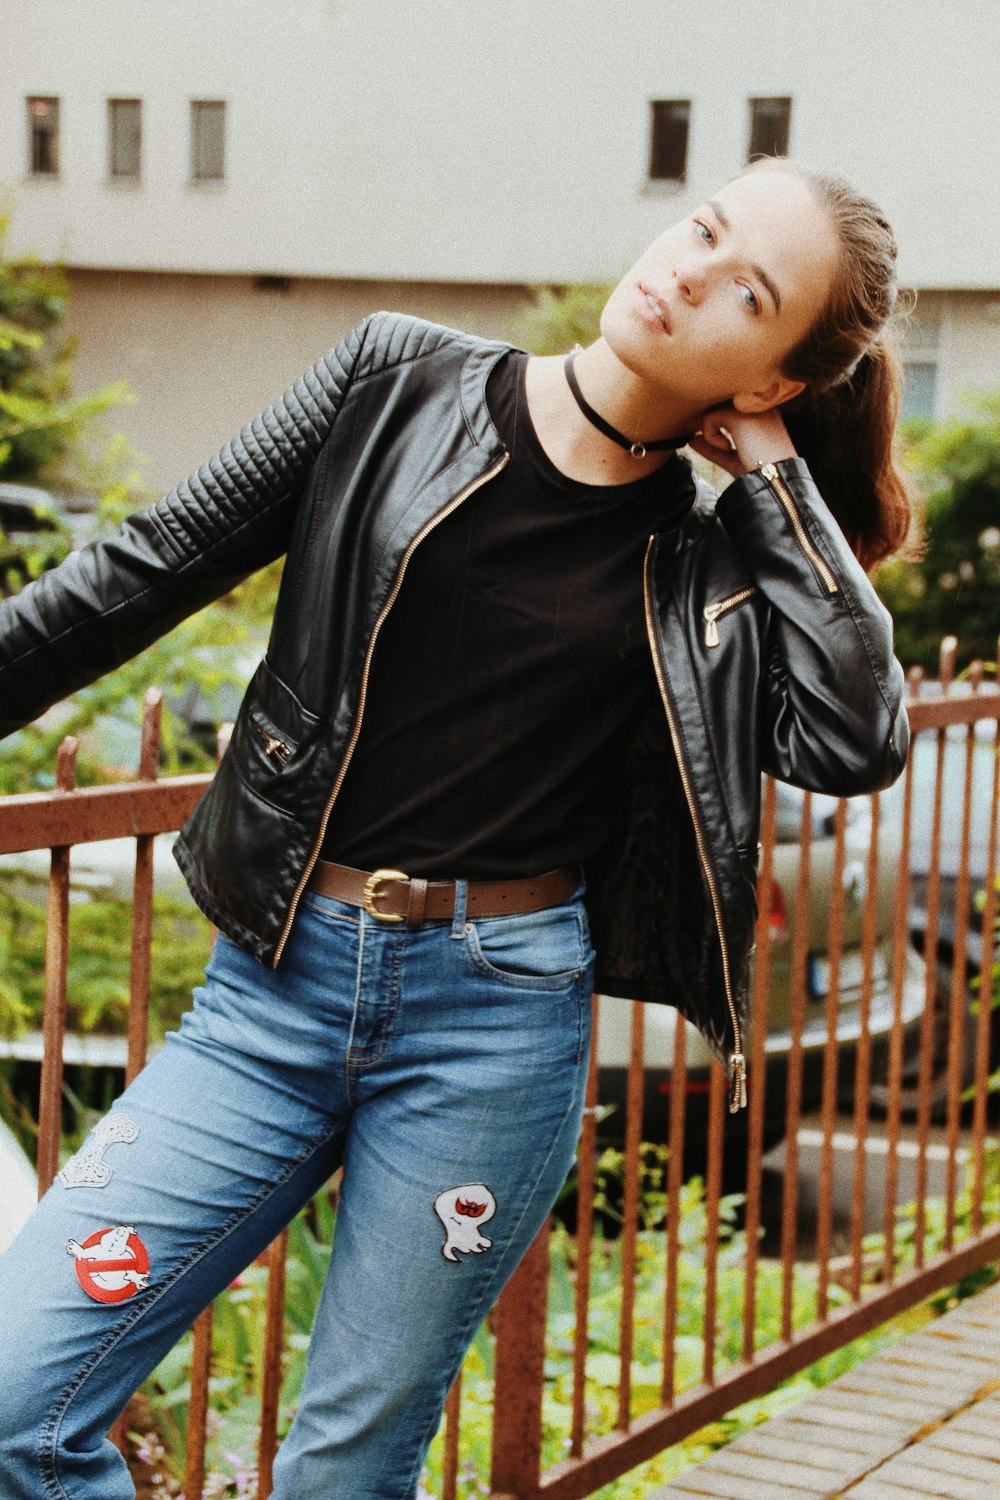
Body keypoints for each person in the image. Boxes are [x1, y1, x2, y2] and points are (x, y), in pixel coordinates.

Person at [0, 157, 911, 1499]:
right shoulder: (393, 381)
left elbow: (860, 731)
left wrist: (768, 473)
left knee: (344, 1473)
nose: (687, 271)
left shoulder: (714, 565)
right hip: (272, 996)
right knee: (19, 1398)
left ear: (772, 376)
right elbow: (146, 563)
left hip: (493, 1027)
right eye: (702, 229)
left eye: (748, 292)